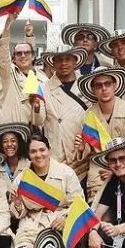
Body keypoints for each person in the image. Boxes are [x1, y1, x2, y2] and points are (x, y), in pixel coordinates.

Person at [9, 134, 82, 248]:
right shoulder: (22, 178)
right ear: (29, 155)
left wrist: (66, 217)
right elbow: (18, 214)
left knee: (72, 226)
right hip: (32, 221)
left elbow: (79, 203)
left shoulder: (66, 172)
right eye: (33, 151)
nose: (38, 155)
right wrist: (17, 204)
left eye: (42, 150)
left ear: (49, 150)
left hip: (58, 219)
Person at [75, 67, 125, 202]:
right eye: (98, 85)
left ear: (114, 85)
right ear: (93, 89)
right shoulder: (88, 116)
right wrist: (81, 149)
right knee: (97, 211)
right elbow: (89, 152)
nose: (103, 88)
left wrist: (117, 172)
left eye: (107, 83)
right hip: (99, 171)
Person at [41, 45, 90, 180]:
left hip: (83, 157)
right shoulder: (44, 88)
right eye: (59, 60)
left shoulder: (87, 86)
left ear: (75, 61)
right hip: (55, 157)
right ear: (53, 63)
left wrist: (84, 148)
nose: (63, 63)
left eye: (68, 59)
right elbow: (38, 121)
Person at [0, 15, 45, 127]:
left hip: (32, 134)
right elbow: (2, 59)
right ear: (14, 58)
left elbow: (41, 121)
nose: (23, 56)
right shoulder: (9, 74)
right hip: (10, 133)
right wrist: (7, 26)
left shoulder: (42, 79)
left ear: (33, 56)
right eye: (18, 53)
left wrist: (37, 109)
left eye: (26, 53)